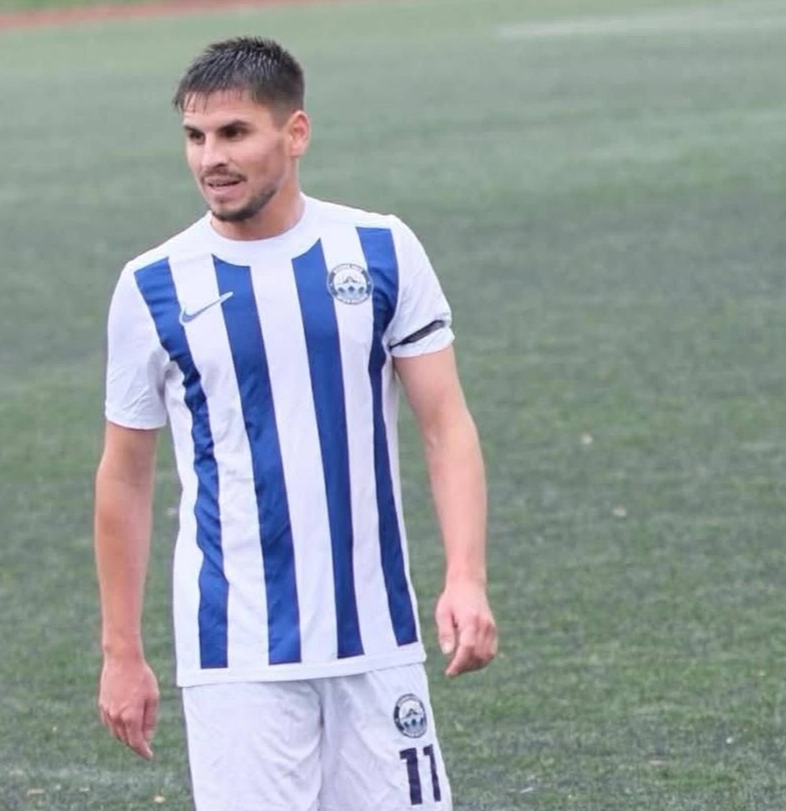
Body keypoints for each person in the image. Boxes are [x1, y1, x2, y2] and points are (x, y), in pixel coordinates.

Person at [93, 36, 496, 810]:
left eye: (234, 133)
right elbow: (124, 475)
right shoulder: (151, 285)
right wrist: (121, 650)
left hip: (376, 639)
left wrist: (465, 577)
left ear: (295, 133)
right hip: (236, 654)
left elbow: (445, 425)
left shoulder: (380, 249)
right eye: (194, 136)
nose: (211, 157)